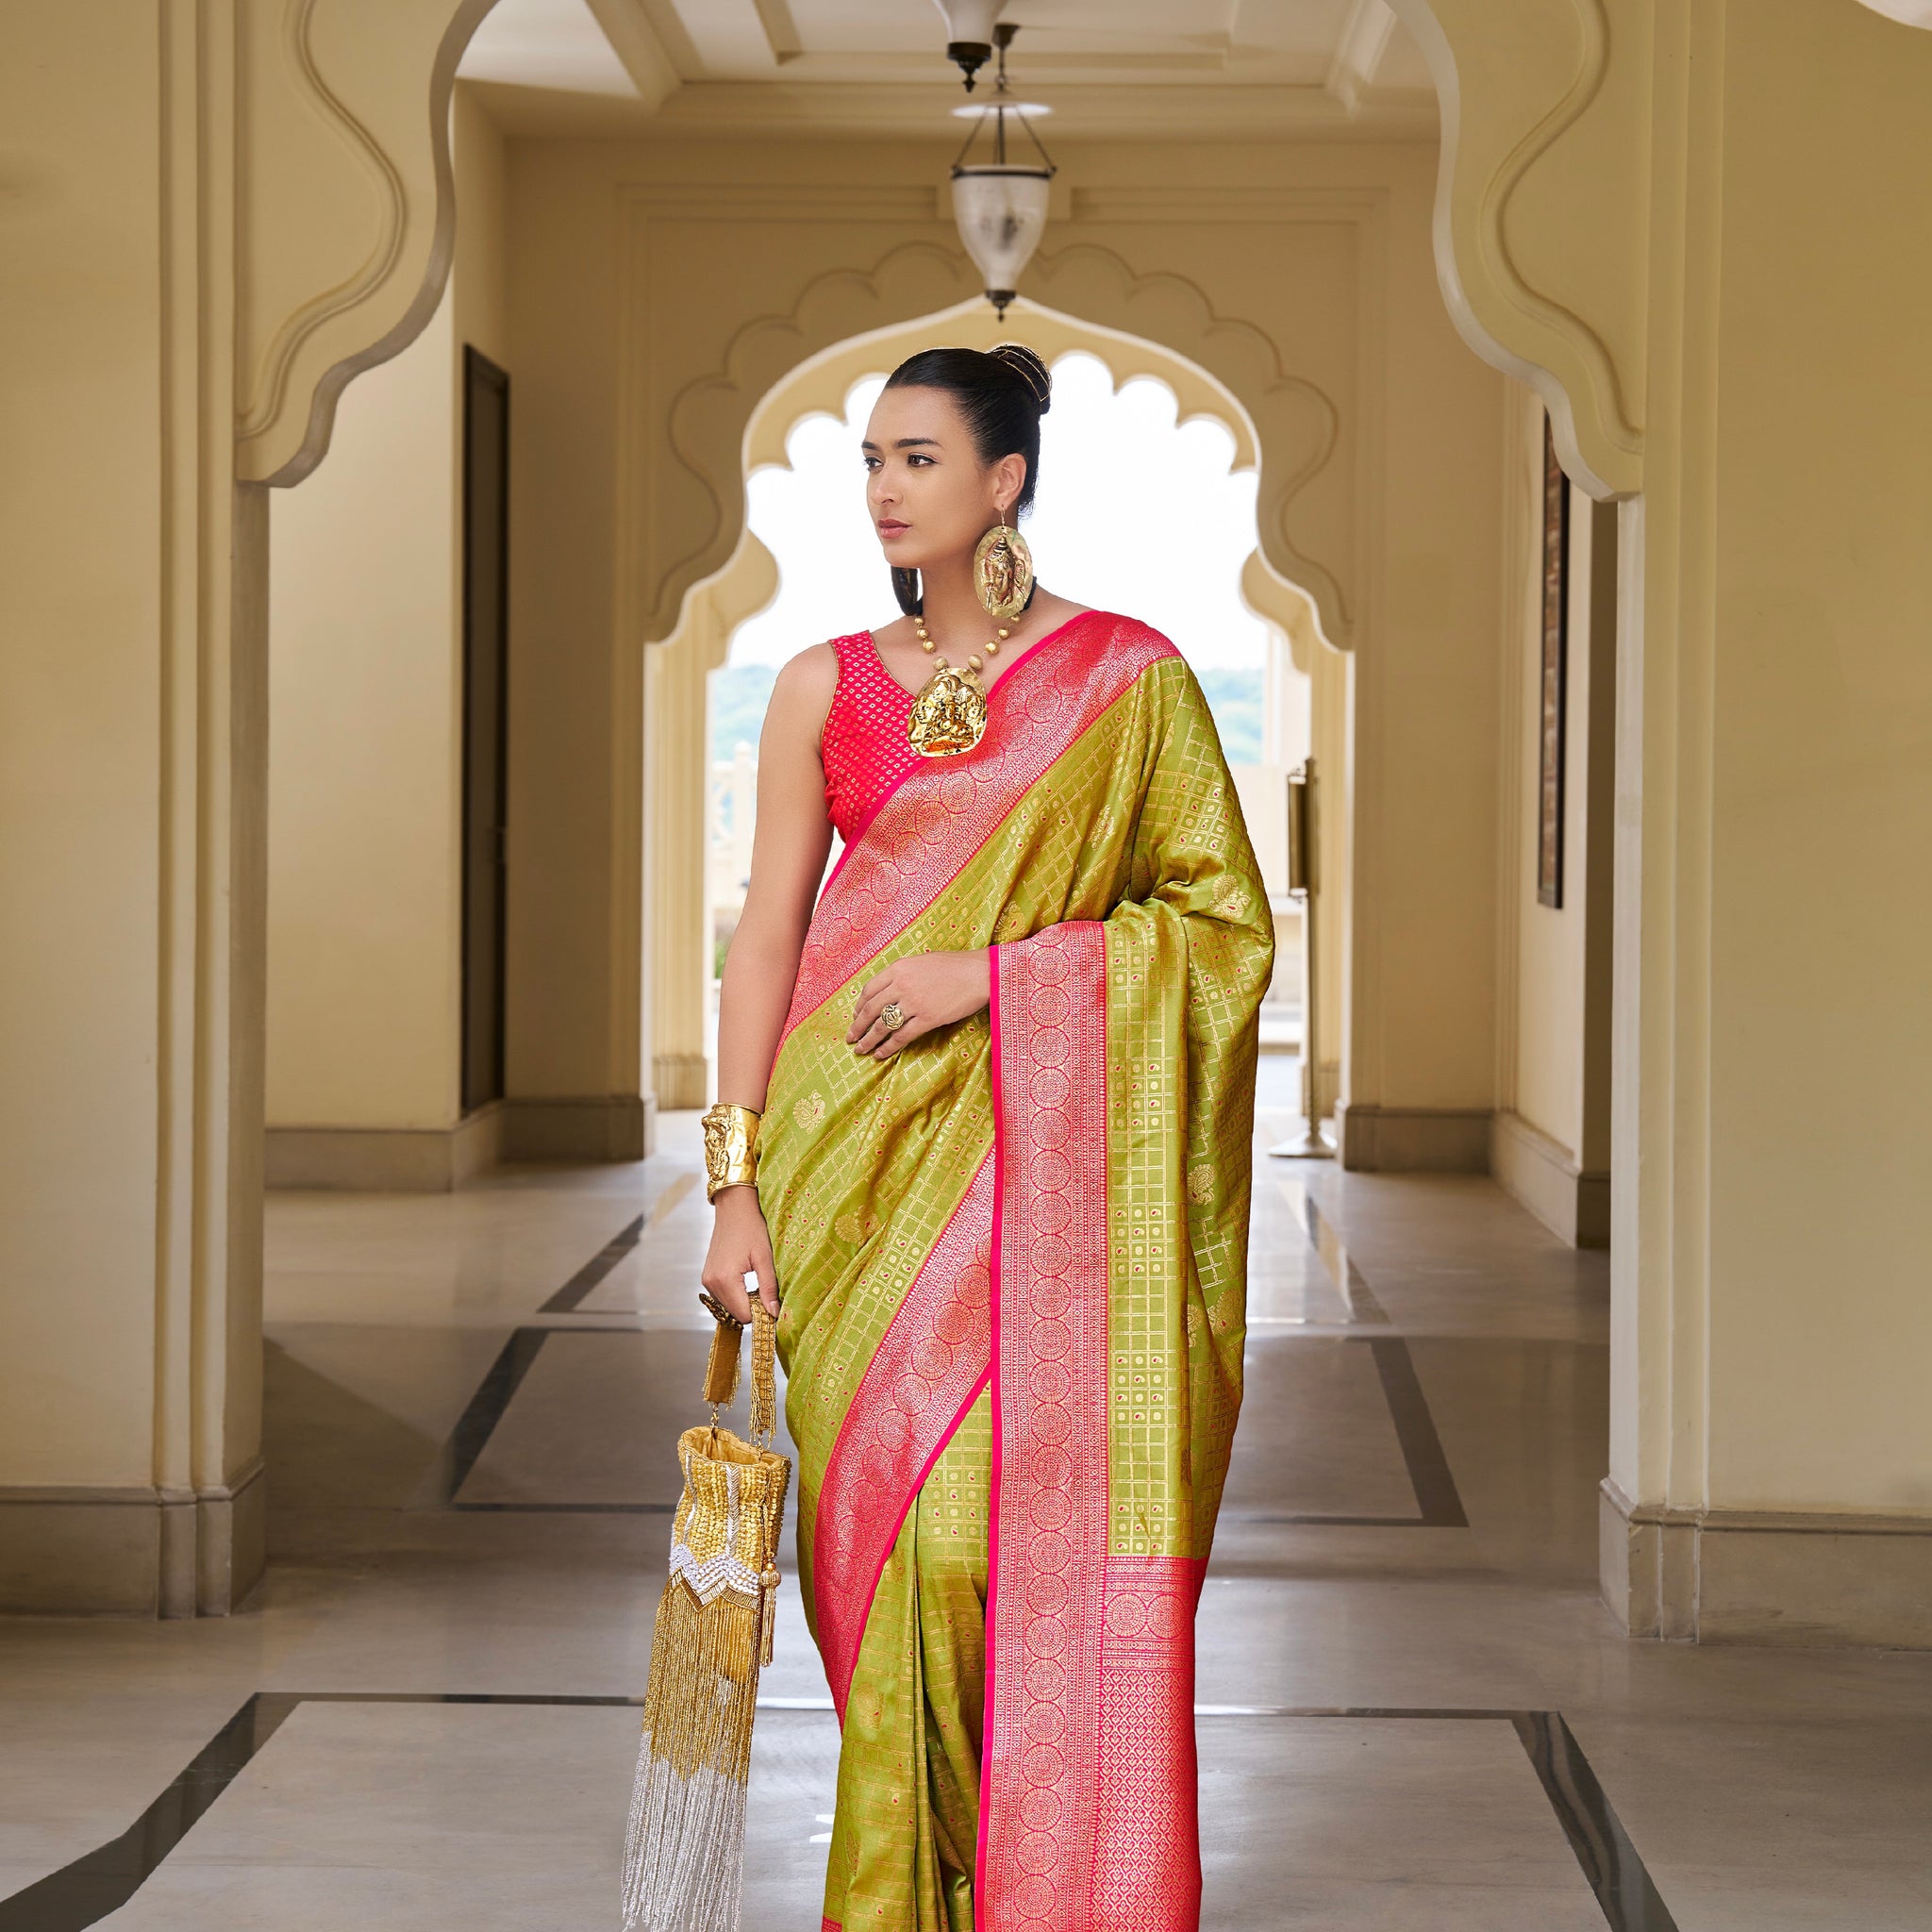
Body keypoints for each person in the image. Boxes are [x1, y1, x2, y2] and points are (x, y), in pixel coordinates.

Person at [698, 342, 1274, 1932]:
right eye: (870, 461)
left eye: (918, 460)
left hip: (1051, 1197)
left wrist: (1002, 980)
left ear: (1004, 480)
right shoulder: (824, 681)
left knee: (987, 1559)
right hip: (848, 1165)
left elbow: (1219, 932)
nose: (882, 489)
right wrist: (735, 1186)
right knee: (879, 1572)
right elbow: (766, 939)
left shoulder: (1131, 681)